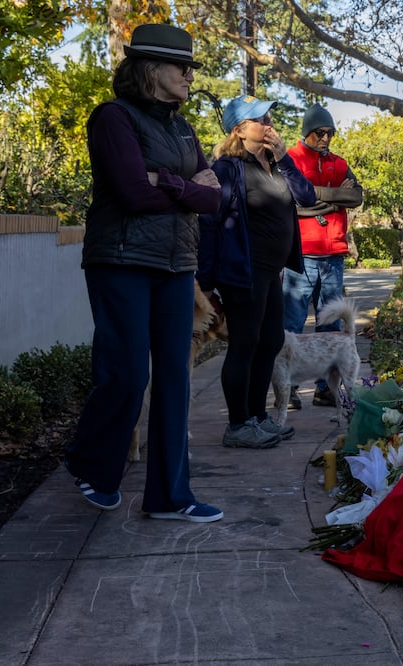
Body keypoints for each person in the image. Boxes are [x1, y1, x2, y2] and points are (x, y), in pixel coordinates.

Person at [64, 24, 225, 522]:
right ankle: (93, 465)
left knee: (175, 379)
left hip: (177, 265)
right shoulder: (113, 118)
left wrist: (167, 182)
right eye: (183, 68)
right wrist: (187, 188)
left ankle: (171, 497)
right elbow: (133, 194)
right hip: (122, 261)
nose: (190, 76)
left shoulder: (182, 128)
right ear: (151, 69)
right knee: (129, 374)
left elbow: (215, 198)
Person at [197, 96, 317, 449]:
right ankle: (238, 425)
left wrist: (284, 158)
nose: (268, 123)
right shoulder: (227, 169)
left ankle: (257, 416)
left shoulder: (277, 164)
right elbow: (210, 224)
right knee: (245, 343)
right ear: (238, 130)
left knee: (271, 341)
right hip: (243, 271)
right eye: (259, 119)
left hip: (271, 271)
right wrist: (205, 282)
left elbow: (307, 197)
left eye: (268, 117)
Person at [283, 104, 364, 409]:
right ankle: (288, 387)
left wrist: (314, 196)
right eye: (320, 132)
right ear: (307, 131)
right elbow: (291, 202)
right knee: (292, 322)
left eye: (330, 132)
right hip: (302, 253)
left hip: (334, 253)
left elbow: (356, 196)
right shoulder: (290, 159)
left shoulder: (339, 162)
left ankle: (325, 389)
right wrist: (333, 200)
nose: (326, 138)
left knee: (329, 322)